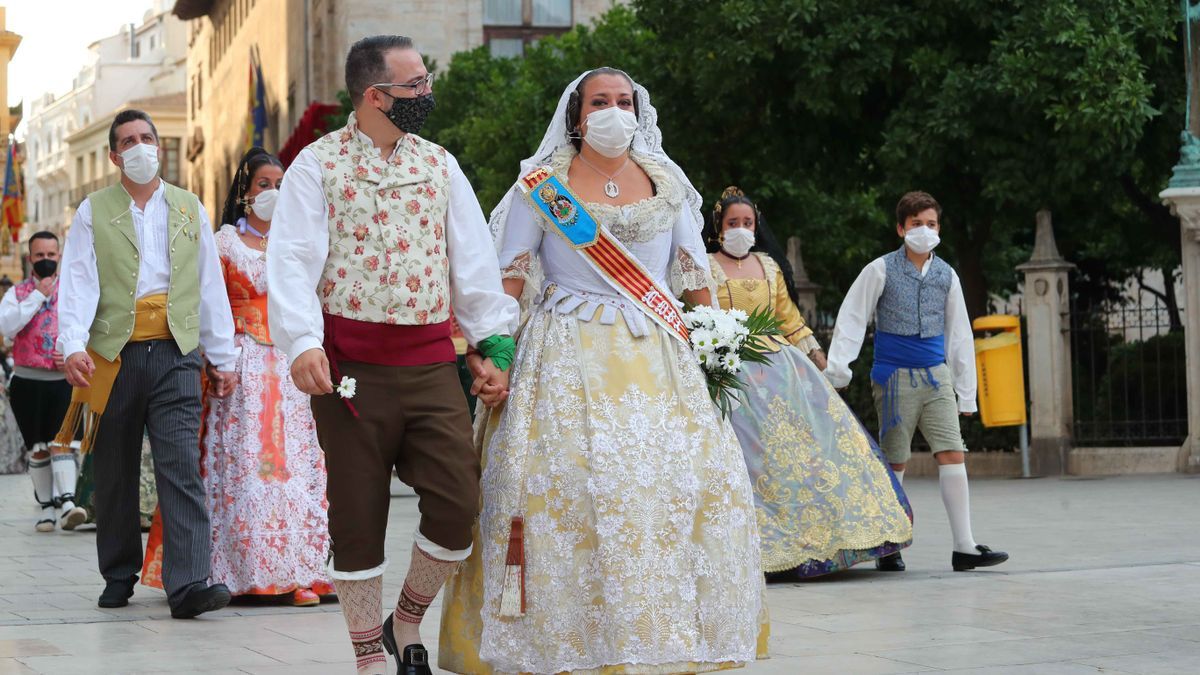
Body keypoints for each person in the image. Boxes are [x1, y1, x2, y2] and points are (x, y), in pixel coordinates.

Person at [438, 68, 765, 675]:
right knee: (568, 486)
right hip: (564, 350)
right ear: (576, 115)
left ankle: (663, 634)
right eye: (600, 102)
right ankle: (567, 639)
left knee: (673, 487)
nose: (615, 111)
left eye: (624, 101)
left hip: (658, 356)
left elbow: (694, 279)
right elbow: (508, 282)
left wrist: (717, 349)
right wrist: (495, 356)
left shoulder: (668, 183)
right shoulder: (543, 186)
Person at [267, 36, 519, 675]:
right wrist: (301, 342)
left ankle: (405, 618)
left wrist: (491, 347)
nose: (427, 94)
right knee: (357, 516)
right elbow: (292, 261)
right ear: (375, 96)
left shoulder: (439, 164)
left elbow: (473, 261)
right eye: (417, 85)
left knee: (459, 502)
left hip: (433, 364)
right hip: (349, 370)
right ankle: (366, 658)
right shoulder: (317, 165)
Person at [56, 108, 241, 618]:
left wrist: (221, 357)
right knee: (113, 467)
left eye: (147, 138)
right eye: (128, 141)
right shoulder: (93, 211)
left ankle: (188, 585)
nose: (139, 147)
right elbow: (76, 282)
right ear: (115, 156)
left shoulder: (188, 207)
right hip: (113, 355)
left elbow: (209, 285)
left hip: (177, 353)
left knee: (180, 465)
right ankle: (119, 572)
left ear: (158, 146)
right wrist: (73, 345)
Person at [140, 147, 334, 607]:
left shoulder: (300, 241)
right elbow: (209, 303)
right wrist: (216, 359)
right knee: (244, 466)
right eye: (264, 185)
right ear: (244, 193)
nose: (273, 193)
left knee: (297, 466)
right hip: (243, 365)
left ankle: (300, 569)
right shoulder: (225, 242)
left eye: (281, 185)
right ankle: (240, 569)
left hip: (291, 366)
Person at [704, 186, 912, 578]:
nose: (741, 230)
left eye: (748, 223)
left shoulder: (769, 267)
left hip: (781, 369)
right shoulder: (704, 265)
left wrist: (819, 359)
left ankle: (841, 534)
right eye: (733, 223)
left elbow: (790, 320)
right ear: (719, 227)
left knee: (814, 447)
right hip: (731, 369)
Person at [826, 190, 1009, 572]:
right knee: (896, 460)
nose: (924, 231)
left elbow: (959, 333)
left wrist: (966, 392)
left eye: (931, 224)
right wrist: (839, 369)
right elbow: (853, 317)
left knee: (952, 452)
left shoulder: (947, 274)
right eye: (916, 224)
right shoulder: (880, 269)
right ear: (900, 228)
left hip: (936, 376)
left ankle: (965, 546)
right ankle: (889, 544)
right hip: (894, 377)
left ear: (939, 228)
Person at [0, 231, 83, 529]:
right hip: (27, 380)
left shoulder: (73, 291)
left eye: (51, 255)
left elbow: (88, 325)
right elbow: (6, 325)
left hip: (63, 379)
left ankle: (69, 502)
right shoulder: (17, 293)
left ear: (59, 256)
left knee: (63, 442)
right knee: (38, 446)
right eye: (40, 256)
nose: (46, 260)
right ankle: (47, 508)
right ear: (29, 258)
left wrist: (74, 350)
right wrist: (38, 295)